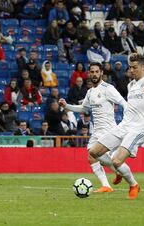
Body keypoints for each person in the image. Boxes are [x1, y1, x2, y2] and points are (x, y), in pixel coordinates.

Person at [86, 53, 144, 199]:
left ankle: (133, 185)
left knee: (117, 160)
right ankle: (119, 172)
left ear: (143, 67)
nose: (131, 70)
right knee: (93, 152)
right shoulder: (131, 84)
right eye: (130, 67)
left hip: (139, 128)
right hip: (124, 125)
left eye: (134, 67)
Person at [59, 62, 131, 193]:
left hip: (108, 130)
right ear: (88, 74)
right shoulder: (90, 92)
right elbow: (84, 108)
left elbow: (123, 103)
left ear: (102, 73)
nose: (94, 74)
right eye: (92, 72)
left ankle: (120, 173)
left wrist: (128, 120)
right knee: (91, 157)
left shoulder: (108, 88)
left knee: (99, 156)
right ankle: (107, 185)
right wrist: (67, 106)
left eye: (97, 71)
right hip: (97, 130)